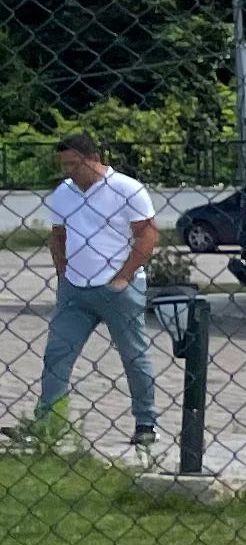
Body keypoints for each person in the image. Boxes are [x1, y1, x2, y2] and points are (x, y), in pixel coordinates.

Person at [34, 133, 159, 451]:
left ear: (93, 159)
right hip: (75, 290)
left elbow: (146, 236)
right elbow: (58, 236)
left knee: (133, 354)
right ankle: (49, 423)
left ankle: (146, 423)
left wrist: (124, 276)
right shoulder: (63, 193)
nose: (68, 171)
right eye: (63, 165)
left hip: (119, 289)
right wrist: (63, 276)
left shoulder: (127, 189)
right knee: (57, 355)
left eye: (73, 164)